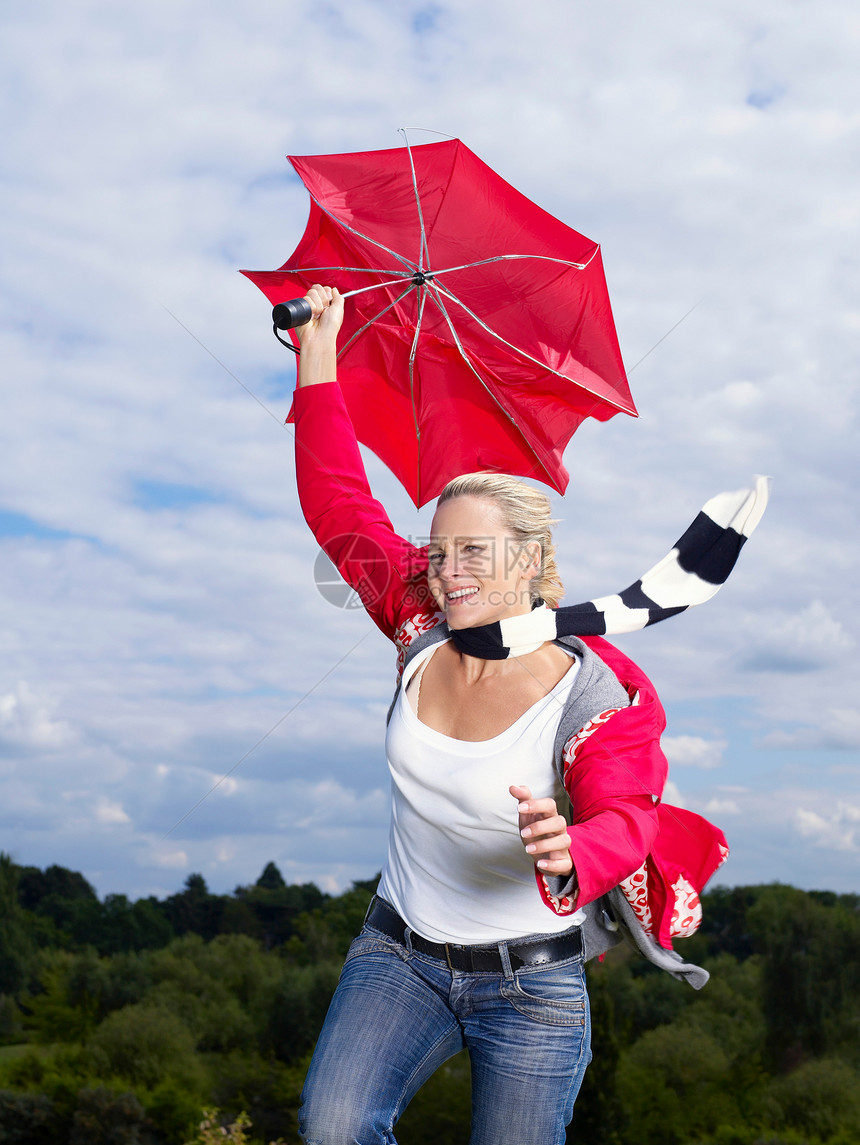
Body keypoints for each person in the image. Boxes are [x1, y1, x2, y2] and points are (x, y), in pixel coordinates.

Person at [292, 284, 669, 1145]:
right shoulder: (420, 618)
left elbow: (630, 817)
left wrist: (574, 845)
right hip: (400, 955)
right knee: (333, 1127)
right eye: (437, 551)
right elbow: (340, 503)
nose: (448, 570)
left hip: (531, 987)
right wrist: (319, 354)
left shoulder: (597, 689)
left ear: (529, 559)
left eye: (473, 551)